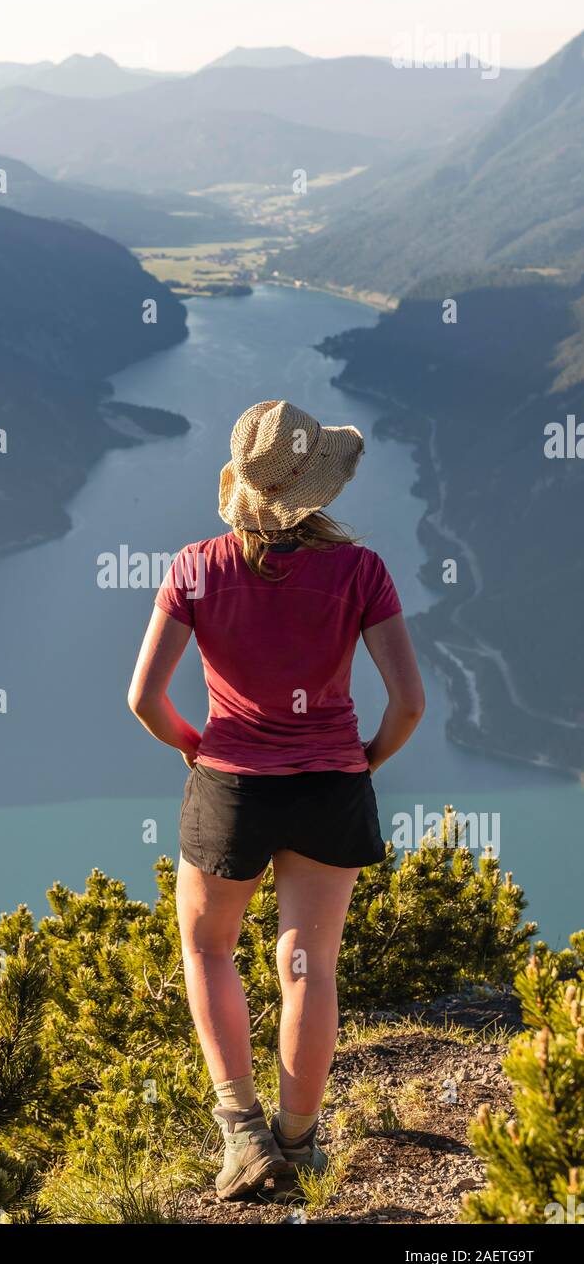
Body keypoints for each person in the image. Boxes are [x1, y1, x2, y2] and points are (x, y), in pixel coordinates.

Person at [128, 400, 425, 1200]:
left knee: (207, 949)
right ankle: (298, 1142)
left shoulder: (195, 566)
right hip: (330, 785)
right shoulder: (360, 571)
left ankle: (243, 1136)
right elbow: (408, 705)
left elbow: (144, 700)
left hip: (231, 784)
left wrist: (198, 747)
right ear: (315, 487)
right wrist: (358, 761)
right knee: (306, 963)